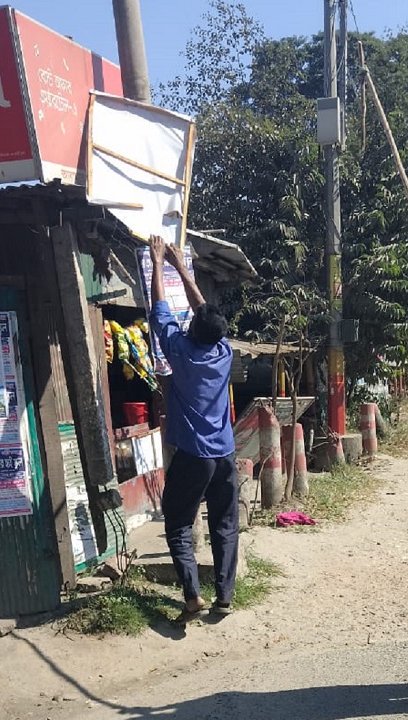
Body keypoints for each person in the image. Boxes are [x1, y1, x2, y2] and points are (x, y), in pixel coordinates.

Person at [146, 234, 239, 624]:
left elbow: (159, 308)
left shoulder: (179, 351)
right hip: (225, 456)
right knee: (224, 525)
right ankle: (224, 596)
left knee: (178, 524)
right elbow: (204, 312)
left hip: (193, 457)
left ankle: (191, 597)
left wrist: (156, 263)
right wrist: (181, 266)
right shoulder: (223, 352)